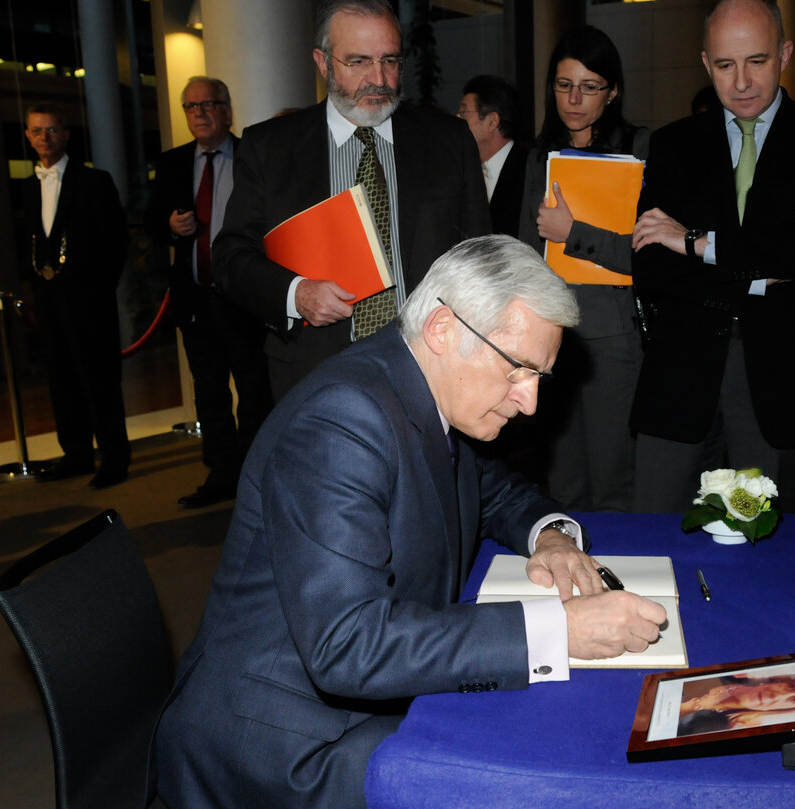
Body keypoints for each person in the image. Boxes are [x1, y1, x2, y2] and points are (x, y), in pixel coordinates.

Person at [153, 235, 667, 809]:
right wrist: (558, 630)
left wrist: (549, 534)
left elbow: (488, 487)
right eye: (519, 370)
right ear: (444, 328)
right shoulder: (342, 421)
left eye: (538, 378)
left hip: (346, 706)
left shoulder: (426, 386)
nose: (531, 403)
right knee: (536, 771)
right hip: (288, 743)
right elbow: (347, 647)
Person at [630, 0, 795, 511]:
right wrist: (767, 267)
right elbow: (652, 263)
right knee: (652, 542)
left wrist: (696, 243)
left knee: (758, 550)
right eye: (725, 65)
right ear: (705, 63)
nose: (741, 81)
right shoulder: (672, 145)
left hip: (781, 385)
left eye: (757, 61)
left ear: (785, 54)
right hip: (680, 380)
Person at [214, 0, 490, 400]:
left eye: (390, 61)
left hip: (431, 366)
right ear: (323, 63)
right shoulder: (271, 147)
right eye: (358, 62)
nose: (378, 78)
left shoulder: (448, 140)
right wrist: (297, 294)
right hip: (316, 371)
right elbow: (231, 257)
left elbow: (478, 256)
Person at [517, 26, 649, 513]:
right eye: (563, 85)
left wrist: (573, 233)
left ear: (612, 91)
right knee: (562, 480)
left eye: (589, 86)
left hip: (612, 338)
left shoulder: (638, 149)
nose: (574, 99)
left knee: (614, 480)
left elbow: (647, 255)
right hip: (552, 337)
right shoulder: (539, 155)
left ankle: (617, 582)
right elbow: (525, 252)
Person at [146, 76, 273, 508]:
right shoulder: (172, 163)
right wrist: (168, 226)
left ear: (228, 111)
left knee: (254, 391)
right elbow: (148, 222)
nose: (198, 114)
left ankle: (253, 476)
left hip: (244, 300)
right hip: (196, 298)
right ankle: (221, 474)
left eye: (208, 105)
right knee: (210, 392)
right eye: (190, 107)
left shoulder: (250, 157)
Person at [16, 102, 131, 489]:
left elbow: (116, 241)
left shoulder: (94, 181)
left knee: (99, 380)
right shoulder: (28, 186)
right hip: (48, 300)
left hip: (89, 300)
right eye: (37, 131)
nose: (44, 138)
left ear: (65, 136)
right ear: (28, 137)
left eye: (51, 130)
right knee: (61, 378)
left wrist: (98, 289)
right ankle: (77, 453)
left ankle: (114, 457)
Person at [458, 75, 527, 238]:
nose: (457, 118)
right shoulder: (461, 169)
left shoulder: (528, 170)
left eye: (463, 112)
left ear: (492, 121)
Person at [677, 673, 795, 734]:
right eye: (792, 686)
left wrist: (693, 706)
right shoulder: (735, 675)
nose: (777, 696)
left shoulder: (719, 725)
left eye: (794, 700)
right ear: (781, 680)